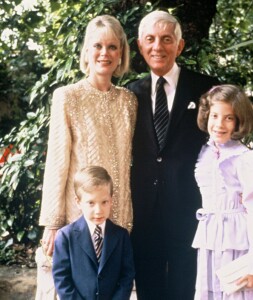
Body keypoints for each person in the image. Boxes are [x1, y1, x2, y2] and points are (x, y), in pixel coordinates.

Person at [36, 15, 137, 299]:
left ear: (121, 54)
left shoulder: (129, 101)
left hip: (117, 214)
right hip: (77, 213)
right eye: (97, 46)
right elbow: (57, 161)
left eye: (112, 47)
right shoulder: (67, 96)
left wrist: (127, 216)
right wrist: (53, 222)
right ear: (86, 51)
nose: (105, 53)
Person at [127, 10, 219, 300]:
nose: (158, 47)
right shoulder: (129, 94)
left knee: (186, 284)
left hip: (189, 206)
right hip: (144, 209)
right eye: (151, 40)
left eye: (167, 39)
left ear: (180, 46)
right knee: (148, 286)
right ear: (141, 46)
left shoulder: (206, 89)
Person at [192, 84, 253, 299]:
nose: (219, 124)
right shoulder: (205, 153)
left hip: (238, 242)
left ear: (239, 121)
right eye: (214, 116)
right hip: (210, 239)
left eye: (229, 118)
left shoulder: (247, 159)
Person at [52, 166, 135, 300]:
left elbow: (127, 276)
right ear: (78, 202)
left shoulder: (121, 236)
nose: (98, 210)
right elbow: (62, 280)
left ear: (111, 200)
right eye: (91, 203)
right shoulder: (66, 237)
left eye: (104, 202)